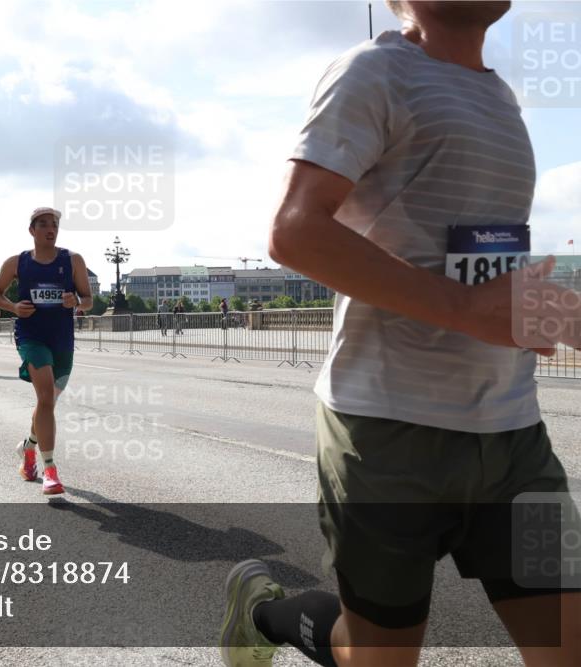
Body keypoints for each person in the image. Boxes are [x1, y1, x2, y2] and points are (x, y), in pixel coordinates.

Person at [219, 3, 581, 667]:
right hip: (387, 432)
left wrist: (557, 314)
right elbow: (294, 228)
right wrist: (467, 309)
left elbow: (476, 262)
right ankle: (265, 609)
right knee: (375, 655)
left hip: (513, 440)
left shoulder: (499, 96)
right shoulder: (375, 71)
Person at [0, 206, 93, 495]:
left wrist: (77, 301)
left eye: (55, 224)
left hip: (62, 340)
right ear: (32, 230)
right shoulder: (17, 262)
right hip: (31, 337)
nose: (51, 228)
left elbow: (89, 300)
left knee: (47, 404)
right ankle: (50, 471)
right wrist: (13, 307)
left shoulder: (72, 260)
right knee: (45, 396)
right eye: (44, 224)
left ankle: (28, 448)